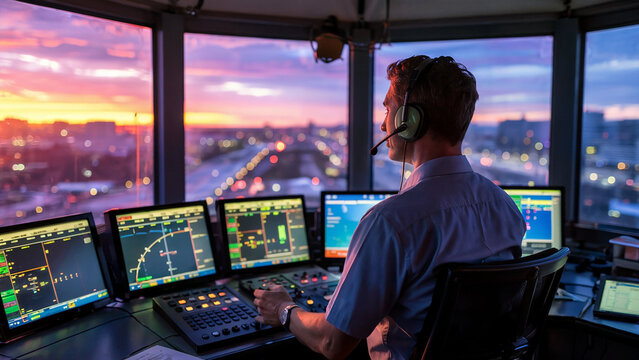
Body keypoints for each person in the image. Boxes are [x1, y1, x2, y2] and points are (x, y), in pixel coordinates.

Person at [253, 55, 526, 360]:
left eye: (388, 109)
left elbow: (334, 344)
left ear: (409, 121)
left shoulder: (391, 222)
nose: (384, 123)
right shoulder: (505, 206)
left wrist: (283, 309)